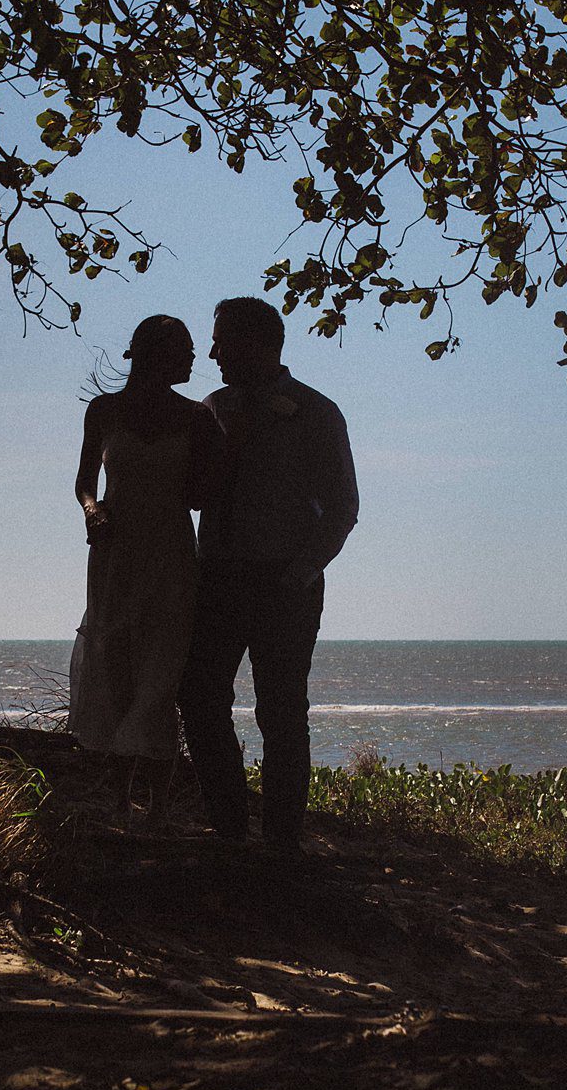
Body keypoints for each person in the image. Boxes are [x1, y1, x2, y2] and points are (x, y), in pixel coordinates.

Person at [178, 295, 358, 851]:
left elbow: (343, 505)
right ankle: (231, 828)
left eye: (221, 340)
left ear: (257, 343)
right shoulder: (212, 408)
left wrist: (302, 573)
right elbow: (195, 492)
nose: (211, 352)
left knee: (281, 713)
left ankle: (281, 843)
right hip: (217, 579)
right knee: (201, 700)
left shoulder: (317, 411)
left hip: (286, 582)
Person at [68, 315, 221, 806]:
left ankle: (156, 804)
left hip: (171, 552)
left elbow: (202, 494)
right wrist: (93, 511)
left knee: (161, 668)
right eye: (186, 350)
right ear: (157, 355)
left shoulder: (197, 417)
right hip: (115, 550)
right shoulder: (104, 410)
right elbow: (84, 481)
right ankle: (117, 795)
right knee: (113, 660)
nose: (196, 359)